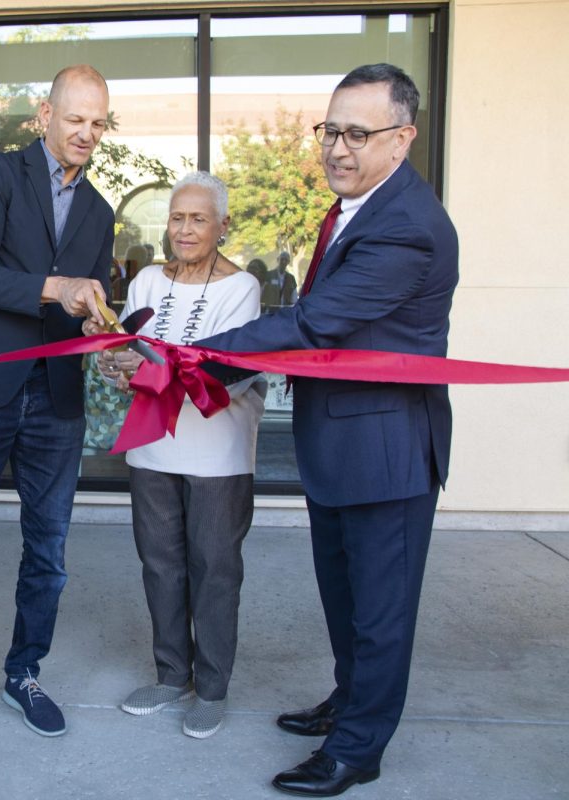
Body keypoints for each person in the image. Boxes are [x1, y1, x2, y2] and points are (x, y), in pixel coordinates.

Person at [199, 64, 458, 796]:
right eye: (330, 130)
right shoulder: (355, 210)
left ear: (402, 139)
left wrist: (205, 360)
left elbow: (314, 321)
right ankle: (351, 700)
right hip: (339, 442)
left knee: (380, 610)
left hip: (387, 452)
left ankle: (359, 748)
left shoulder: (407, 227)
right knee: (345, 598)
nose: (336, 149)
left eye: (357, 133)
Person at [0, 64, 113, 737]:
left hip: (57, 398)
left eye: (98, 122)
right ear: (45, 114)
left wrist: (96, 326)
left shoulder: (100, 210)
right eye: (75, 118)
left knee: (50, 551)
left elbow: (77, 306)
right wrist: (55, 287)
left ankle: (23, 670)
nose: (86, 132)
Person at [96, 172, 265, 739]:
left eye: (198, 218)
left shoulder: (241, 289)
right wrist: (113, 365)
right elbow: (131, 350)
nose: (185, 229)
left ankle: (212, 688)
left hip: (217, 455)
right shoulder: (145, 279)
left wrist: (144, 370)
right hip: (151, 450)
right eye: (176, 217)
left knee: (214, 570)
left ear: (222, 226)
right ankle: (172, 675)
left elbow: (225, 376)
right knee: (160, 565)